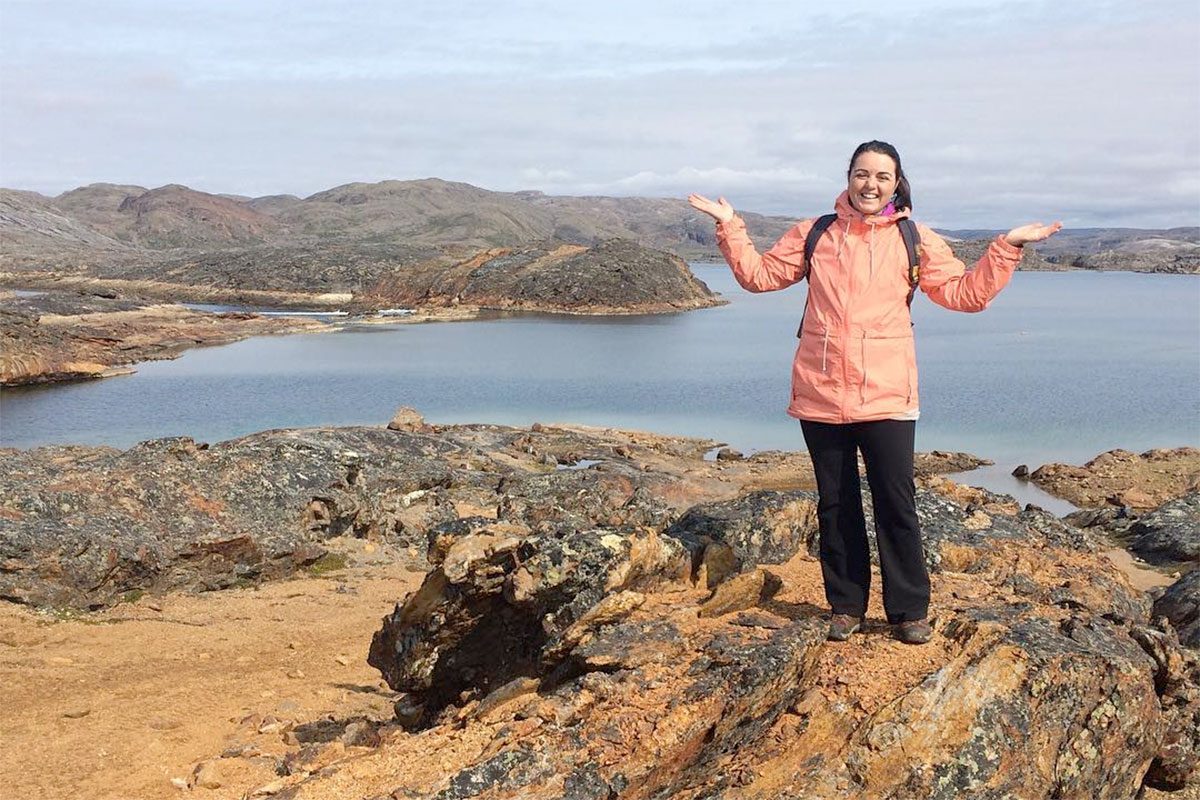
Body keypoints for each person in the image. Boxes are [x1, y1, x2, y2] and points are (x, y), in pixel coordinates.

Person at [688, 140, 1061, 645]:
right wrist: (731, 226)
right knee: (835, 503)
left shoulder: (914, 239)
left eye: (882, 176)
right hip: (821, 392)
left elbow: (964, 295)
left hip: (888, 394)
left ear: (896, 182)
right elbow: (759, 277)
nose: (870, 184)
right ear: (848, 178)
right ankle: (845, 606)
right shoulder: (815, 233)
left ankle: (909, 611)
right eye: (862, 174)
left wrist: (1007, 247)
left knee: (896, 502)